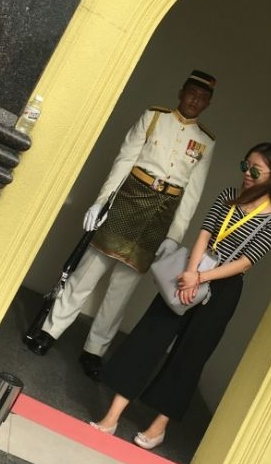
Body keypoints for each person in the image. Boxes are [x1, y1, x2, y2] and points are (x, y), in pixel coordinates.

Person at [89, 141, 271, 448]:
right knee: (149, 337)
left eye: (255, 171)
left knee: (190, 356)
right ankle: (112, 417)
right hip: (189, 271)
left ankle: (158, 427)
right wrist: (192, 272)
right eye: (245, 166)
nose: (246, 174)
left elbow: (246, 262)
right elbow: (205, 233)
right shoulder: (228, 195)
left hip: (222, 288)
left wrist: (201, 277)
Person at [25, 70, 217, 381]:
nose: (196, 100)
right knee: (88, 271)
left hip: (160, 216)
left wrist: (174, 235)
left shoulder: (205, 142)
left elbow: (192, 195)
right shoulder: (154, 117)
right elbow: (124, 161)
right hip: (129, 199)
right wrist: (102, 201)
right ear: (181, 91)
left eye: (203, 97)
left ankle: (94, 350)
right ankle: (50, 330)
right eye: (192, 93)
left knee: (122, 289)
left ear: (208, 104)